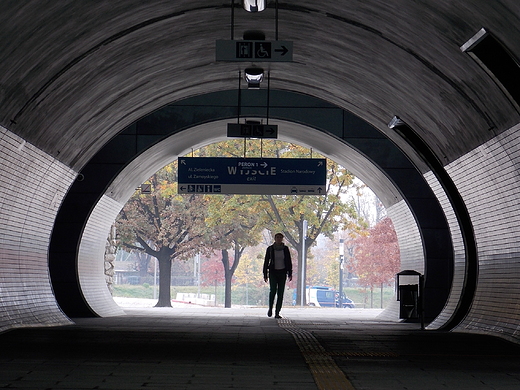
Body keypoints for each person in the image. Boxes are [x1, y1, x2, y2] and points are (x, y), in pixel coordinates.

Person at [263, 233, 292, 318]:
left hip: (282, 272)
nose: (279, 239)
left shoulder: (285, 249)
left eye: (280, 237)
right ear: (275, 238)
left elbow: (288, 261)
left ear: (282, 239)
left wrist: (290, 272)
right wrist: (265, 273)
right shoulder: (270, 249)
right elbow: (266, 261)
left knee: (280, 292)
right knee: (272, 291)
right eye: (277, 237)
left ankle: (277, 312)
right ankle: (270, 308)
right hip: (273, 272)